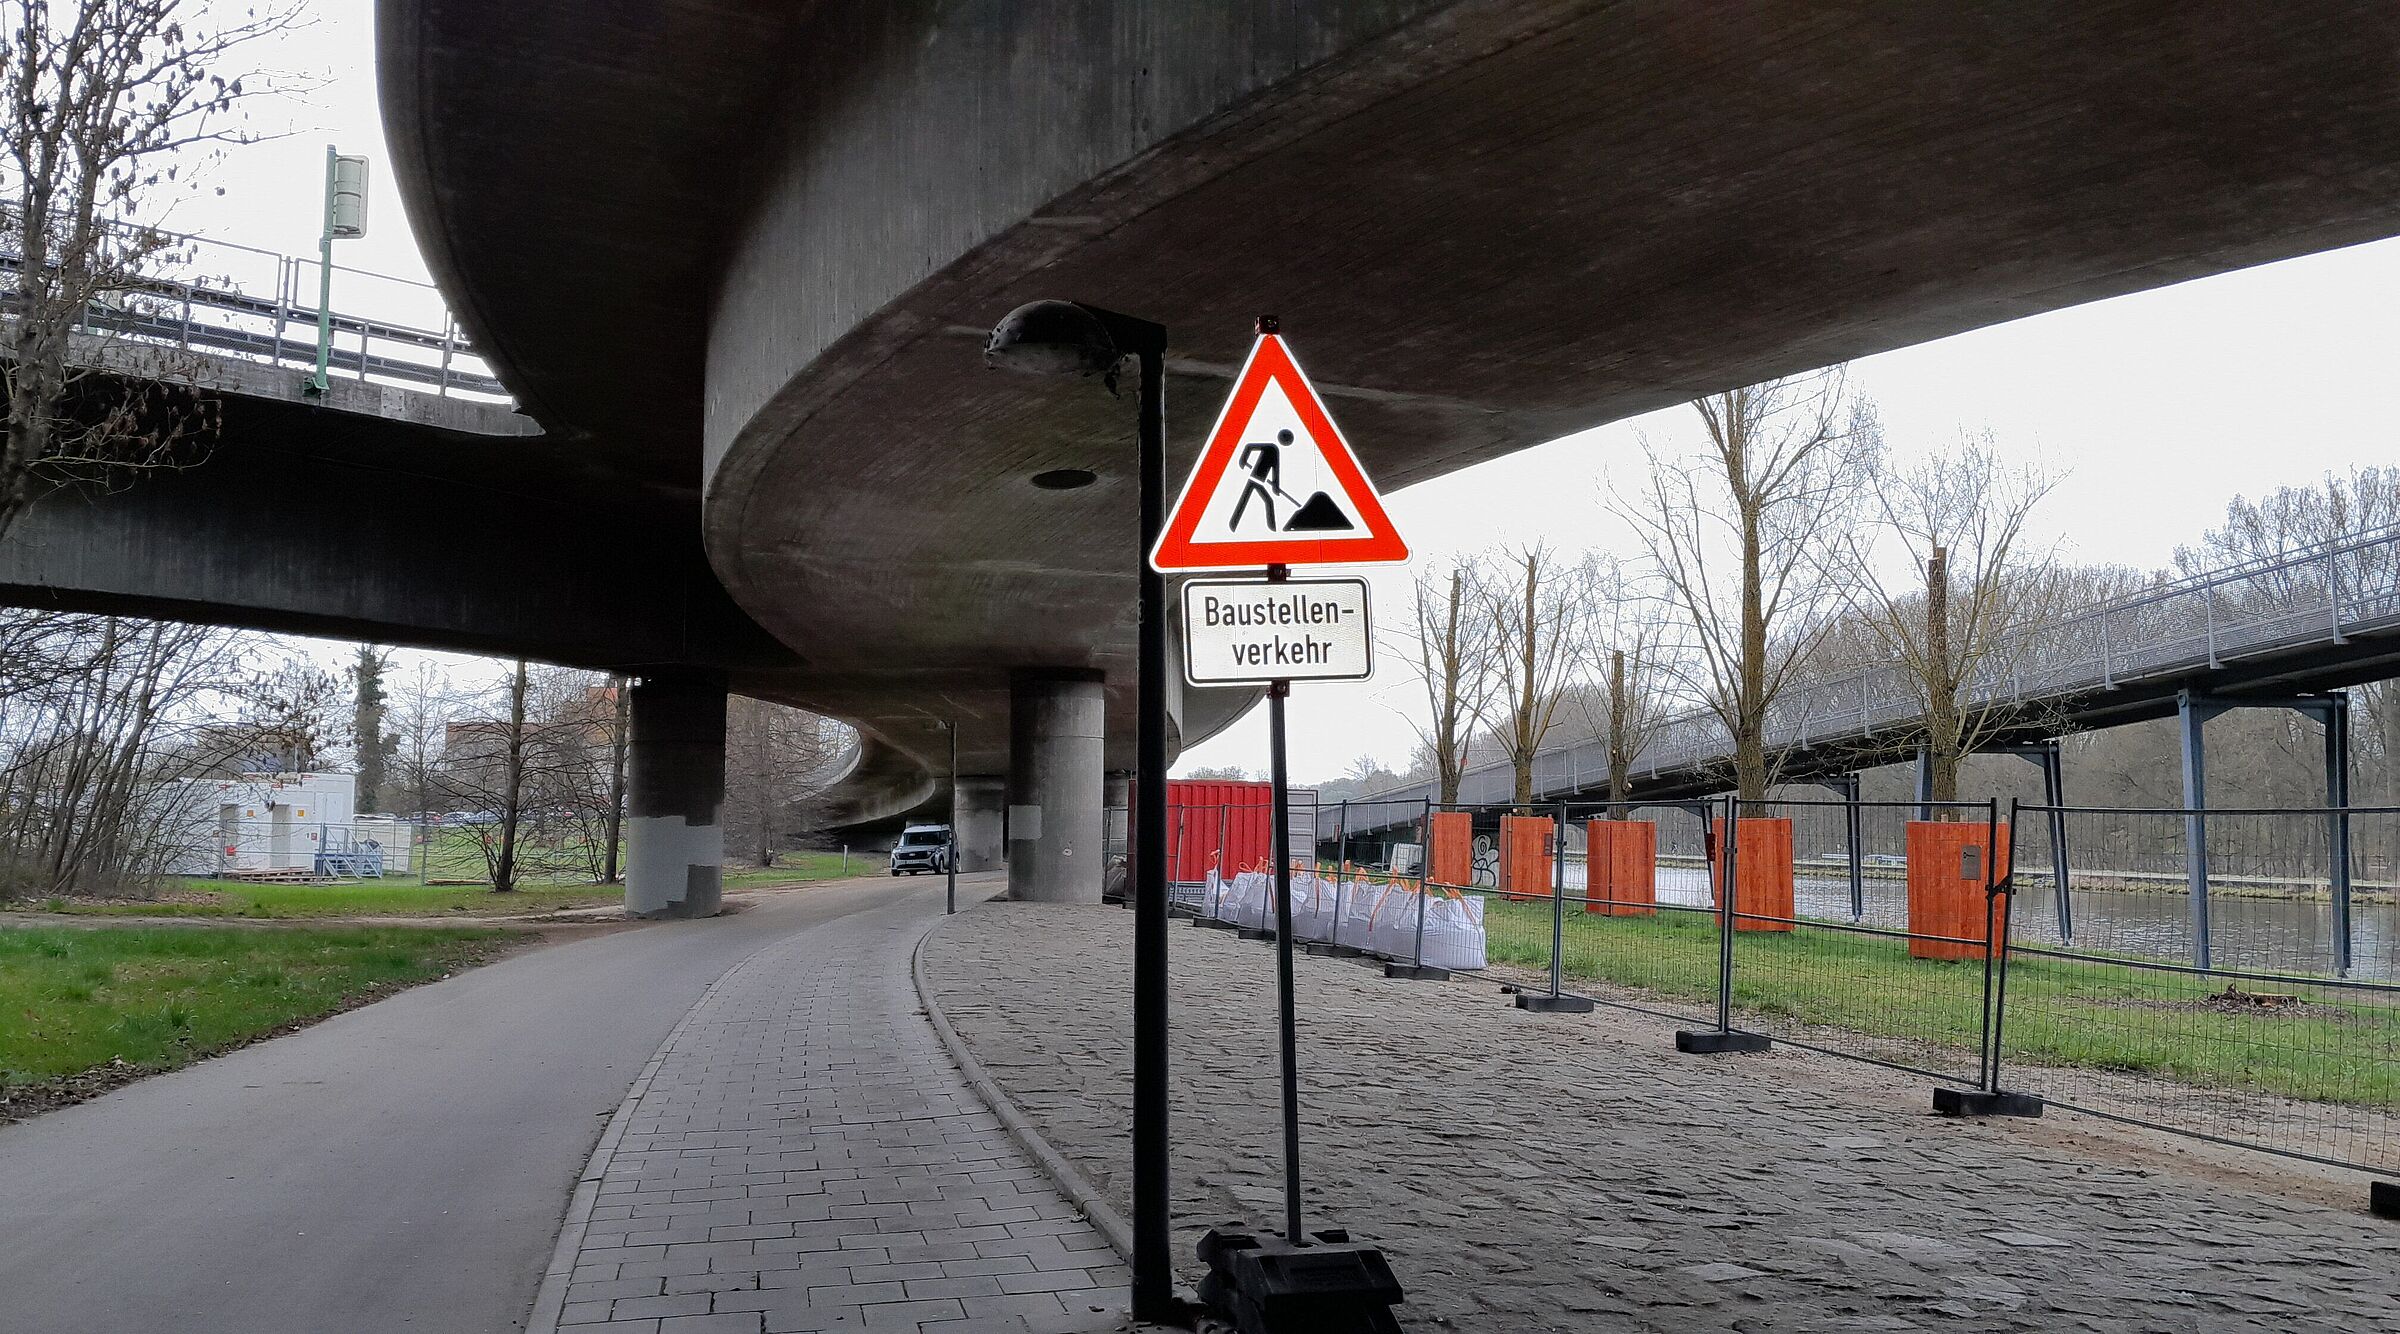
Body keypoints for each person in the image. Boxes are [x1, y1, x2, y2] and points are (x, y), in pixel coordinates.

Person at [1231, 429, 1291, 532]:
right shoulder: (1270, 447)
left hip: (1259, 482)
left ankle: (1233, 524)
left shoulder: (1275, 451)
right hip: (1254, 479)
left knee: (1247, 500)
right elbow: (1249, 446)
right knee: (1266, 501)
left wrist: (1275, 486)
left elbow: (1275, 470)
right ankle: (1273, 529)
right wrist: (1243, 460)